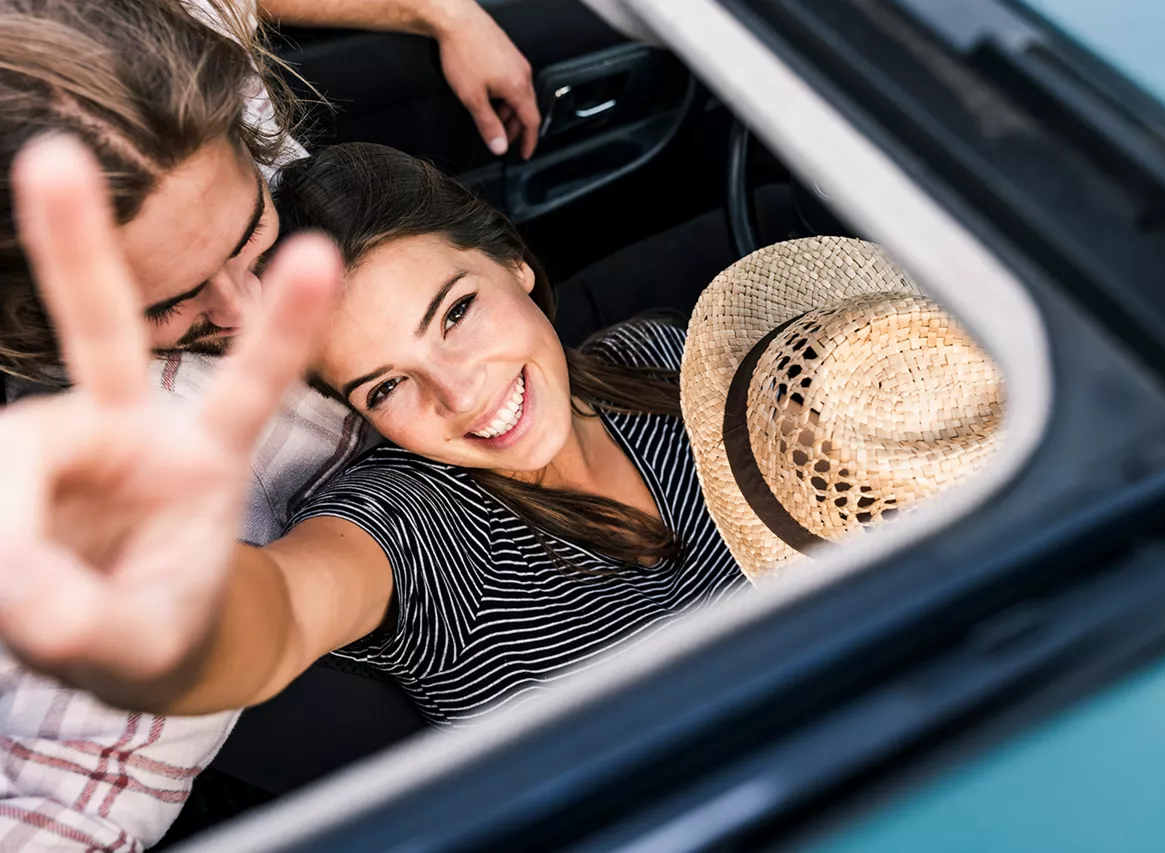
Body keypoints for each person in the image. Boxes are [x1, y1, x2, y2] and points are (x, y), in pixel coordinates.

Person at [0, 0, 540, 847]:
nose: (246, 308)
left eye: (253, 231)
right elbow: (71, 803)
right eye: (172, 303)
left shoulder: (173, 58)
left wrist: (441, 13)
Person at [3, 141, 750, 725]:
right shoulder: (418, 524)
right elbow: (290, 604)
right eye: (386, 385)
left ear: (513, 262)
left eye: (456, 313)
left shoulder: (666, 360)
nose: (459, 394)